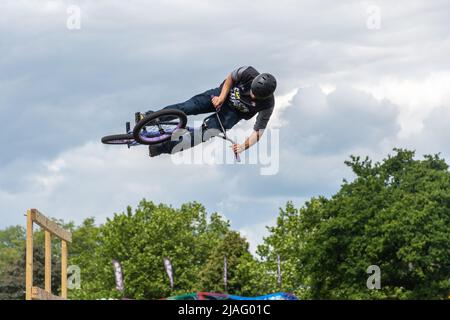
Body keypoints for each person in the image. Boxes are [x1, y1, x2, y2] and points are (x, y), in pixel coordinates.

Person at [146, 66, 277, 157]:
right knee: (188, 107)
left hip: (233, 114)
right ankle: (150, 119)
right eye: (252, 91)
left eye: (256, 97)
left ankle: (160, 148)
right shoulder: (248, 72)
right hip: (220, 95)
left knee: (203, 135)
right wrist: (221, 98)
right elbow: (230, 78)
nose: (252, 96)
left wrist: (243, 147)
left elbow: (258, 133)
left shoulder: (268, 105)